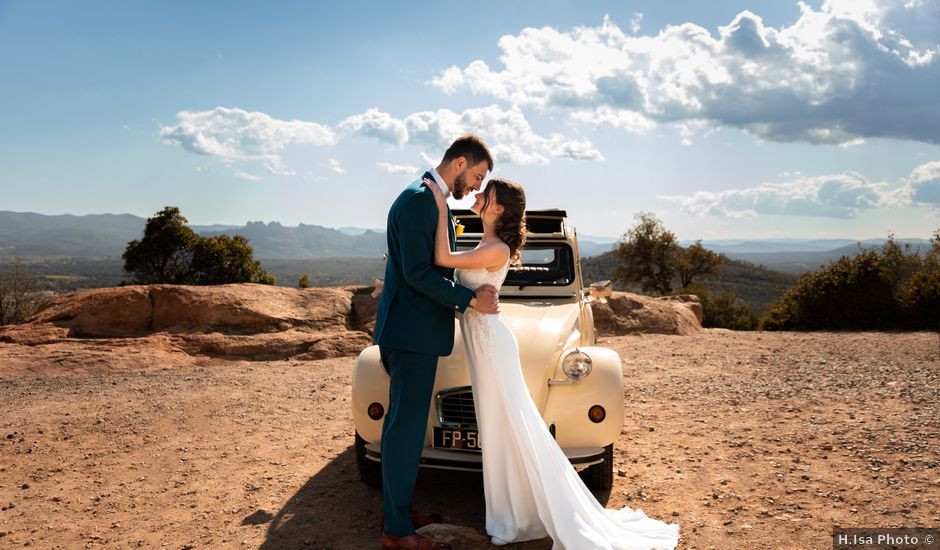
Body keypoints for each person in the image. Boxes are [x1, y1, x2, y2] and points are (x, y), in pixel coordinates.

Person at [423, 176, 681, 550]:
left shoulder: (495, 248)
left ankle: (513, 519)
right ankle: (510, 512)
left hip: (492, 343)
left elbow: (443, 259)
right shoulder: (487, 240)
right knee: (497, 427)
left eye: (485, 194)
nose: (476, 195)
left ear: (497, 208)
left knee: (508, 423)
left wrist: (440, 203)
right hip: (480, 341)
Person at [372, 134, 501, 550]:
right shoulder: (417, 200)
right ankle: (397, 532)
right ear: (460, 162)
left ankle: (400, 510)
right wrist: (469, 300)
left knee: (404, 429)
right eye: (478, 176)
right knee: (404, 431)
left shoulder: (431, 199)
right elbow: (415, 273)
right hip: (410, 334)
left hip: (416, 331)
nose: (477, 187)